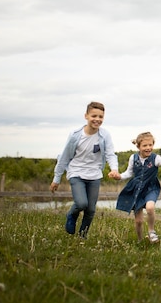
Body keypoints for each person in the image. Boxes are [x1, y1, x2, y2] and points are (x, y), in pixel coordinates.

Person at [50, 101, 120, 238]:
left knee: (91, 209)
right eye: (94, 116)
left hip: (94, 174)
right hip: (76, 172)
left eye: (101, 117)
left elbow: (110, 154)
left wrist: (114, 169)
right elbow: (64, 157)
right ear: (86, 116)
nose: (97, 120)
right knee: (82, 203)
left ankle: (82, 236)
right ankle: (71, 214)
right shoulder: (75, 135)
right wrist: (56, 179)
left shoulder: (105, 135)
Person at [110, 132, 161, 243]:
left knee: (150, 208)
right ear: (138, 146)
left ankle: (151, 231)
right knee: (138, 221)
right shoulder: (133, 158)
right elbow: (128, 173)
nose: (148, 148)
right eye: (145, 145)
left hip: (151, 188)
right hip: (137, 189)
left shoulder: (156, 158)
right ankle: (140, 240)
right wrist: (118, 176)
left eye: (150, 145)